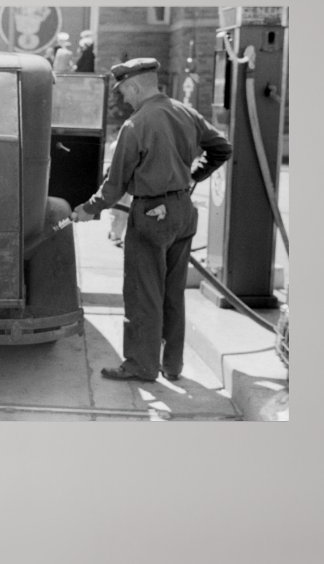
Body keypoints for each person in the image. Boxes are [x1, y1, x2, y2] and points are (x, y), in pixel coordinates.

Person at [73, 58, 232, 382]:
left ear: (134, 86)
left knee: (142, 292)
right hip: (183, 212)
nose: (123, 99)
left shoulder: (136, 125)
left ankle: (141, 365)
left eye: (123, 92)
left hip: (150, 216)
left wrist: (89, 208)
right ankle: (172, 365)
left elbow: (114, 184)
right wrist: (192, 177)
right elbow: (222, 148)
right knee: (173, 292)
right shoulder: (184, 111)